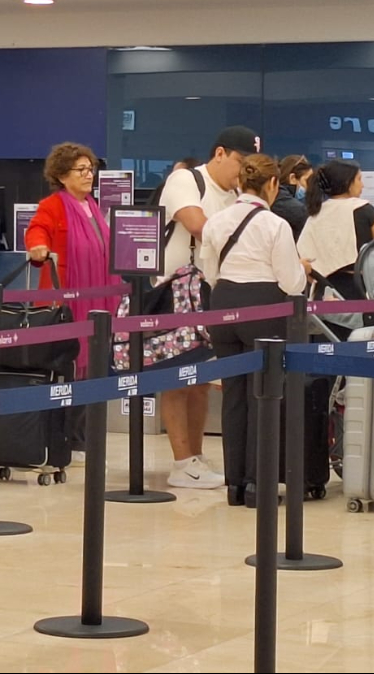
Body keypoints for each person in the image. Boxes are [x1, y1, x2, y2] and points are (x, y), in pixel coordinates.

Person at [149, 125, 260, 489]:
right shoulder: (186, 181)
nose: (243, 172)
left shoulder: (236, 194)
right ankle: (181, 461)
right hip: (173, 292)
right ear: (220, 153)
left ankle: (194, 458)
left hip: (211, 295)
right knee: (176, 379)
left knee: (198, 380)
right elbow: (198, 225)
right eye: (241, 162)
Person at [202, 154, 307, 508]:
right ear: (273, 184)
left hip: (224, 302)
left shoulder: (216, 221)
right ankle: (256, 485)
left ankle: (233, 484)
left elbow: (208, 271)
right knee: (263, 395)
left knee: (232, 394)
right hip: (264, 306)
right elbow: (292, 282)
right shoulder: (275, 225)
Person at [25, 142, 123, 378]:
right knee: (69, 365)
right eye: (81, 170)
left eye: (91, 169)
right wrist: (38, 247)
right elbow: (37, 229)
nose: (89, 175)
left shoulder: (93, 205)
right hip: (66, 295)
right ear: (62, 175)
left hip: (98, 293)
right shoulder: (52, 205)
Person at [297, 159, 374, 301]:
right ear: (348, 183)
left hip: (323, 292)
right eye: (359, 179)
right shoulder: (365, 209)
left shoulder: (315, 213)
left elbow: (303, 257)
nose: (362, 185)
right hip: (361, 291)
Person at [273, 155, 311, 240]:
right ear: (293, 178)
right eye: (307, 181)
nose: (310, 186)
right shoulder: (280, 199)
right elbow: (306, 216)